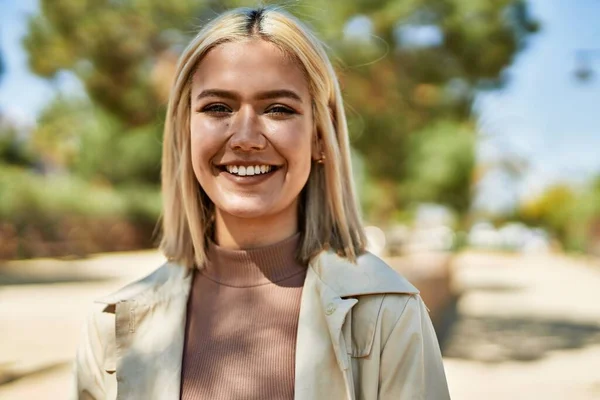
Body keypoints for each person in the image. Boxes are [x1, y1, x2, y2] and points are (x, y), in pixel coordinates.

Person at [73, 6, 451, 400]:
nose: (245, 138)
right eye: (218, 107)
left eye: (278, 109)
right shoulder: (112, 325)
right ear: (186, 131)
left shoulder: (389, 314)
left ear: (320, 138)